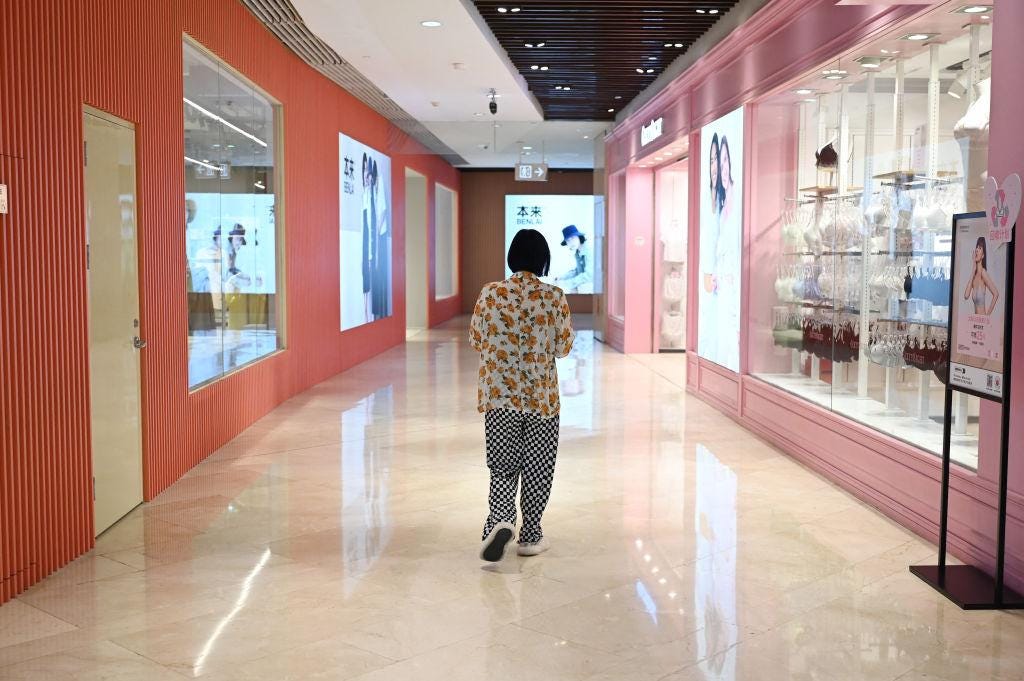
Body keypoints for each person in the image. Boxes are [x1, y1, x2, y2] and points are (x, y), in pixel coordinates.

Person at [470, 229, 575, 562]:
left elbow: (476, 340)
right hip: (542, 401)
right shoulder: (554, 296)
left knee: (502, 467)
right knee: (538, 468)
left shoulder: (490, 294)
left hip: (500, 399)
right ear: (543, 259)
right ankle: (531, 535)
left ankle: (499, 521)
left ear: (512, 257)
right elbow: (563, 348)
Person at [370, 158, 390, 320]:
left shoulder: (378, 189)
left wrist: (377, 230)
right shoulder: (369, 193)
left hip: (379, 238)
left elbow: (382, 214)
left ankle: (380, 312)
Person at [964, 235, 999, 315]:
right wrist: (973, 270)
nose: (976, 250)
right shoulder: (974, 275)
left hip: (983, 321)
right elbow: (966, 296)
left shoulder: (983, 272)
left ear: (983, 255)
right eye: (977, 247)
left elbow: (996, 294)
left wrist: (987, 315)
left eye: (980, 248)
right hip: (975, 321)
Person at [556, 225, 592, 293]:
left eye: (573, 238)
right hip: (588, 285)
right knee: (572, 290)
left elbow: (589, 276)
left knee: (581, 287)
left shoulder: (589, 250)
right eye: (568, 240)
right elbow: (578, 271)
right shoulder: (578, 252)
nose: (571, 242)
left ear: (579, 237)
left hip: (598, 285)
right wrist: (562, 277)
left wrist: (565, 283)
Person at [361, 153, 374, 323]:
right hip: (363, 241)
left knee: (368, 283)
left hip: (369, 243)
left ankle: (367, 317)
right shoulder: (363, 196)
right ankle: (365, 317)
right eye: (364, 170)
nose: (367, 175)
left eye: (368, 172)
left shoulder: (370, 196)